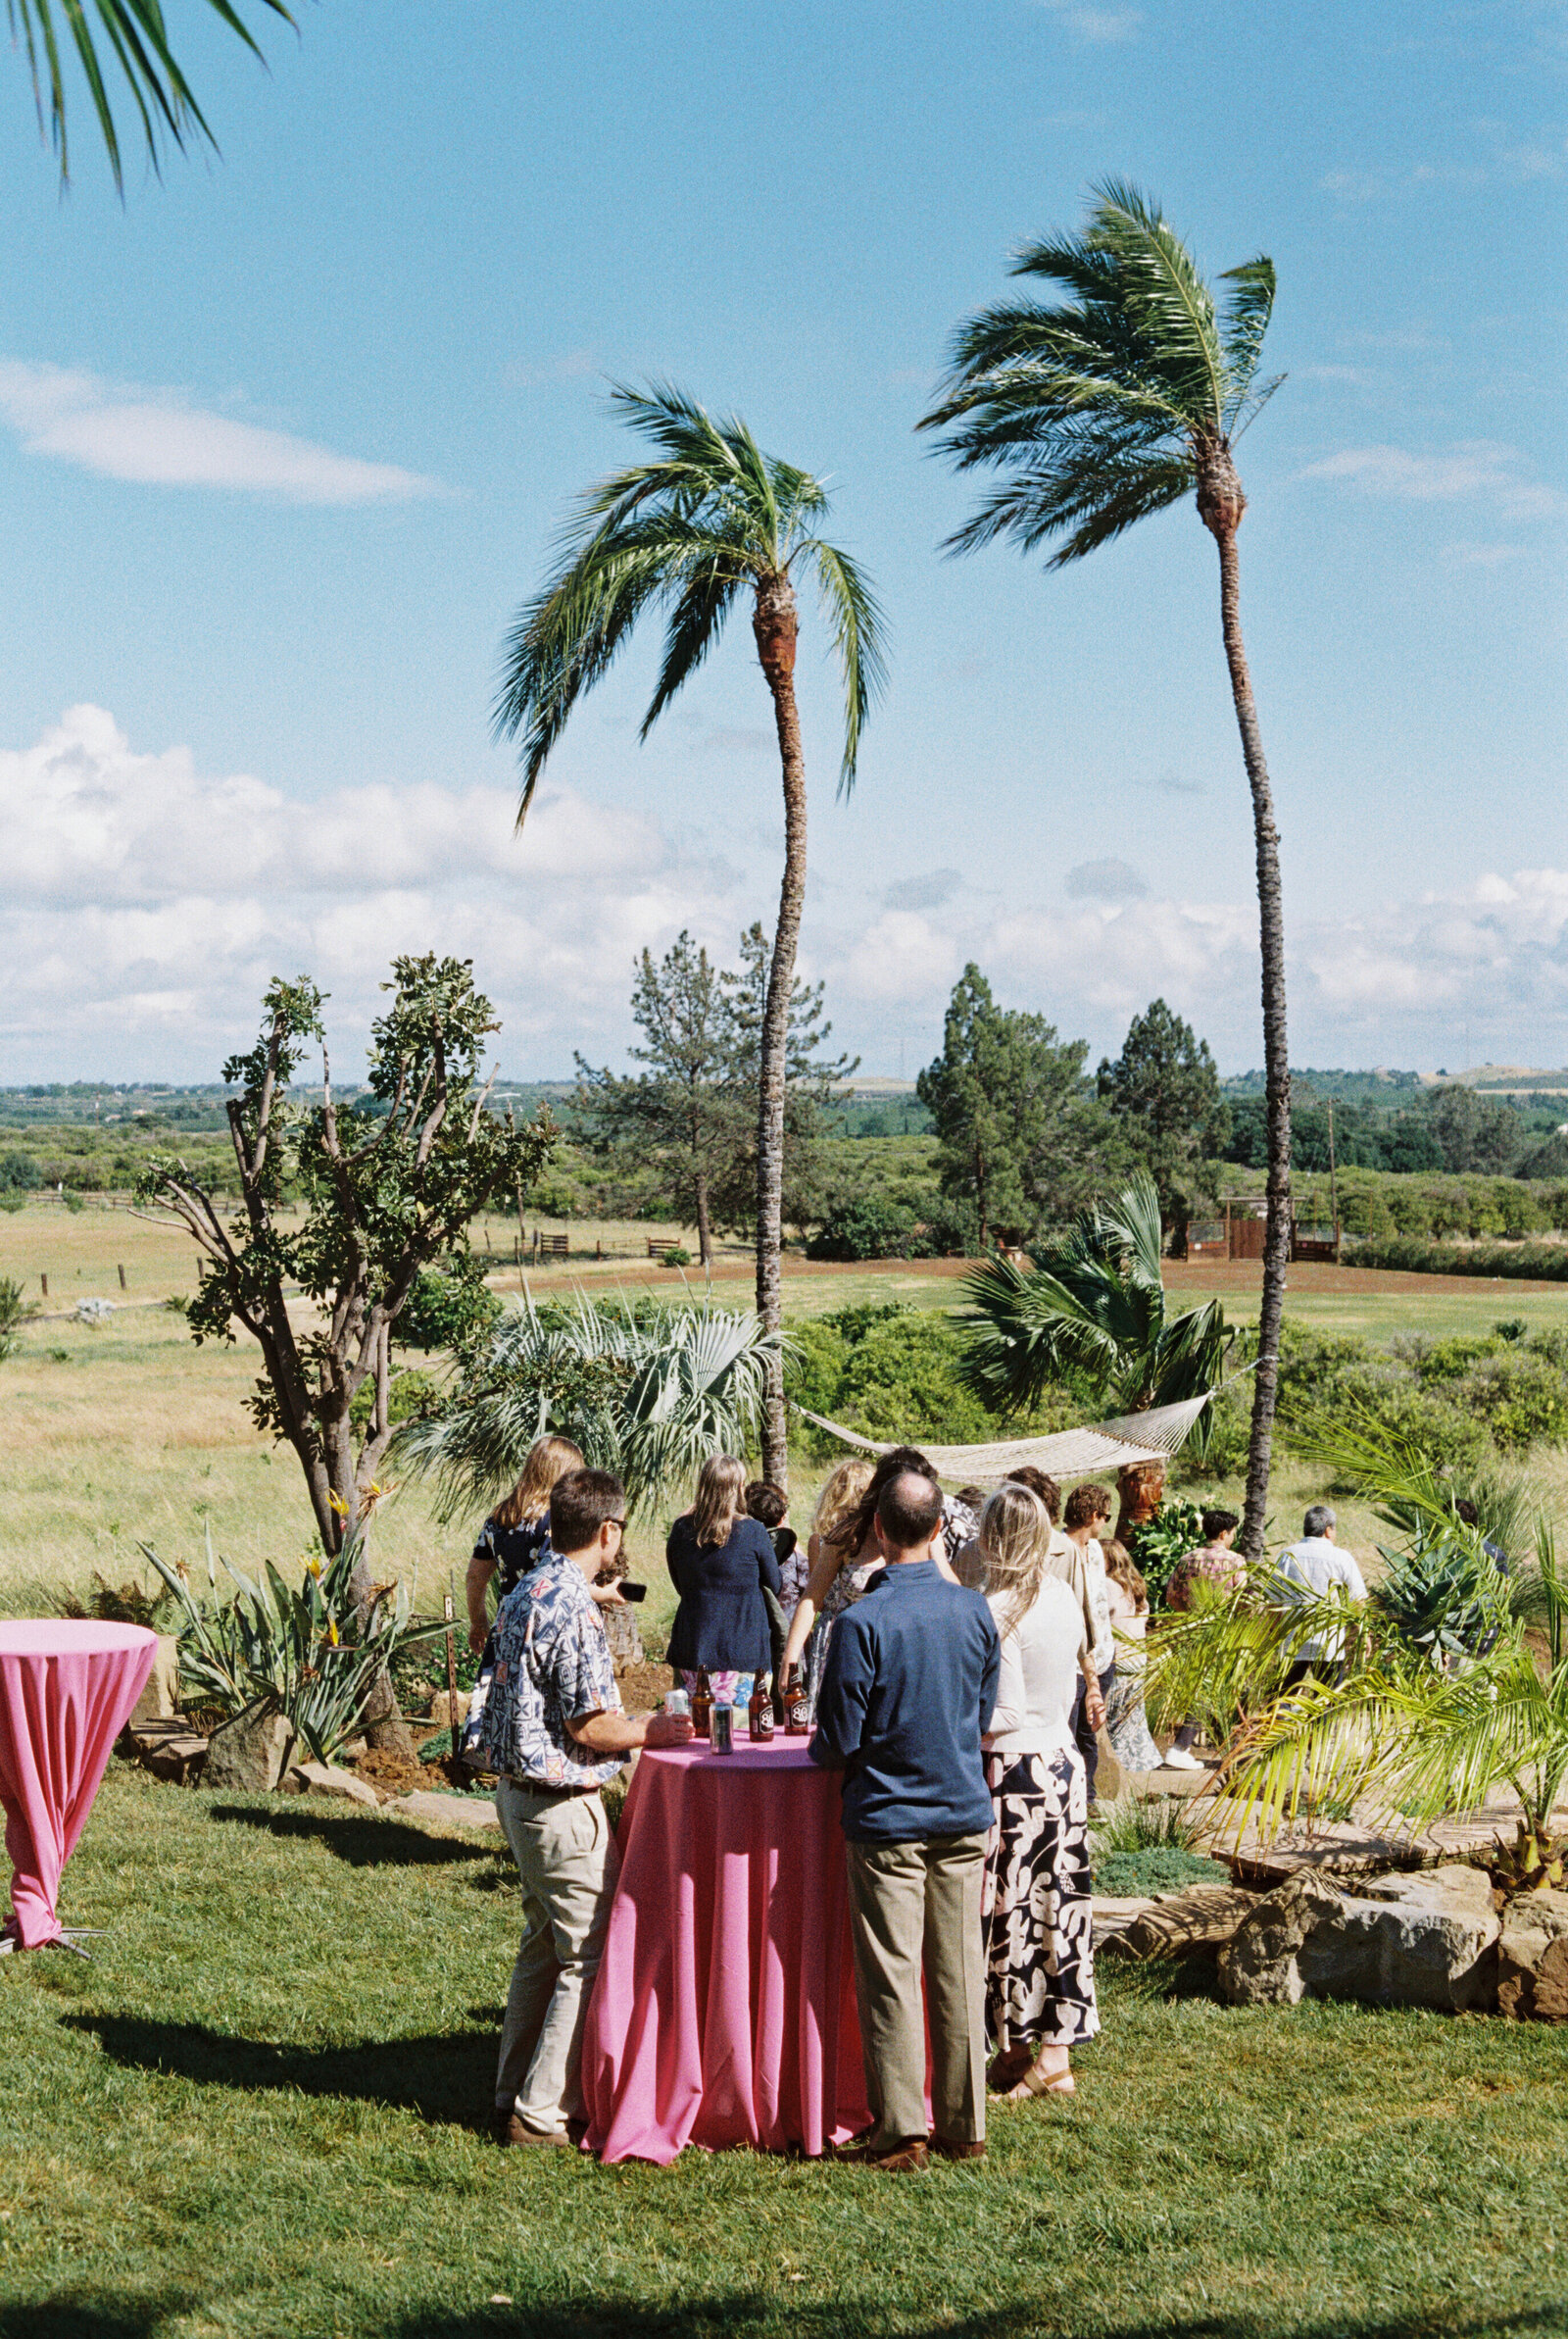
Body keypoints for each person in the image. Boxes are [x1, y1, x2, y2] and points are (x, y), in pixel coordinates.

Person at [476, 1467, 694, 2147]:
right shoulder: (570, 1605)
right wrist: (655, 1729)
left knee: (544, 1946)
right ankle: (541, 2113)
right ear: (607, 1531)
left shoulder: (529, 1589)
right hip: (560, 1803)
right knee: (587, 1953)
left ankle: (510, 2089)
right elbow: (590, 1726)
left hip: (516, 1798)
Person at [810, 1468, 1002, 2174]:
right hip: (958, 1812)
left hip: (887, 1819)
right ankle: (964, 2124)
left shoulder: (862, 1622)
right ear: (939, 1531)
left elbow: (838, 1741)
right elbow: (979, 1719)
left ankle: (901, 2131)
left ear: (881, 1532)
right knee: (958, 1970)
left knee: (892, 1976)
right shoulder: (975, 1612)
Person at [974, 1482, 1103, 2098]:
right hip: (1064, 1766)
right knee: (1062, 1911)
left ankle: (1030, 2049)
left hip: (1017, 1773)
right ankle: (1043, 2051)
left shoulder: (995, 1609)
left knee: (1015, 1912)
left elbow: (1004, 1711)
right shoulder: (1060, 1595)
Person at [779, 1449, 939, 1713]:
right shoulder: (849, 1534)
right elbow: (811, 1598)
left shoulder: (923, 1535)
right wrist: (791, 1656)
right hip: (844, 1648)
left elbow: (951, 1592)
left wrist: (935, 1541)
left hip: (898, 1648)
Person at [665, 1454, 782, 1713]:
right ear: (739, 1489)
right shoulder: (753, 1531)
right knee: (741, 1743)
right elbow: (775, 1584)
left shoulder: (681, 1529)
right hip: (744, 1653)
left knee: (689, 1739)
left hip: (691, 1649)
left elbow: (679, 1584)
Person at [465, 1434, 584, 1654]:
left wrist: (479, 1622)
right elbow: (562, 1583)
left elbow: (475, 1576)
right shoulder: (560, 1520)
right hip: (552, 1633)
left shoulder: (499, 1518)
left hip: (507, 1629)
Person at [1161, 1508, 1246, 1770]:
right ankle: (1185, 1746)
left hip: (1193, 1631)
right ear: (1223, 1533)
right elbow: (1243, 1598)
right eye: (1232, 1533)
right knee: (1224, 1689)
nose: (1233, 1537)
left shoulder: (1188, 1559)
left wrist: (1190, 1612)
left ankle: (1199, 1746)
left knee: (1199, 1687)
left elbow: (1171, 1596)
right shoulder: (1235, 1561)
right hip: (1224, 1633)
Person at [1273, 1503, 1367, 1687]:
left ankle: (1280, 1717)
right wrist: (1362, 1634)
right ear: (1328, 1530)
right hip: (1329, 1643)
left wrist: (1272, 1635)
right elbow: (1358, 1600)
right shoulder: (1342, 1557)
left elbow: (1273, 1601)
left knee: (1282, 1699)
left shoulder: (1286, 1555)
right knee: (1325, 1702)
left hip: (1293, 1641)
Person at [1062, 1483, 1116, 1800]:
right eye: (1105, 1516)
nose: (1105, 1523)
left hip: (1101, 1654)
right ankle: (1069, 1798)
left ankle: (1088, 1798)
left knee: (1089, 1733)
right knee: (1067, 1732)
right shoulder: (1059, 1549)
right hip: (1071, 1660)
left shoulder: (1095, 1550)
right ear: (1094, 1515)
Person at [1101, 1537, 1163, 1774]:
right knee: (1131, 1723)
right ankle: (1140, 1764)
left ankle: (1116, 1769)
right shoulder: (1135, 1586)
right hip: (1138, 1662)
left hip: (1118, 1663)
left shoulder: (1107, 1586)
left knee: (1110, 1721)